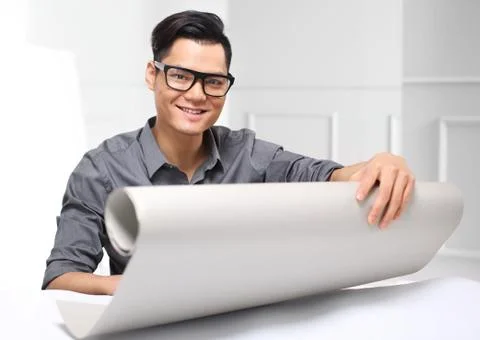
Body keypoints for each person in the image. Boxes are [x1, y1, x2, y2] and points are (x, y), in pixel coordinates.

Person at [43, 10, 415, 295]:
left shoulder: (245, 153)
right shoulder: (102, 168)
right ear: (152, 75)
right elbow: (60, 277)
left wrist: (381, 163)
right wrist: (131, 289)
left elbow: (324, 176)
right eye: (179, 75)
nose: (197, 94)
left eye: (214, 82)